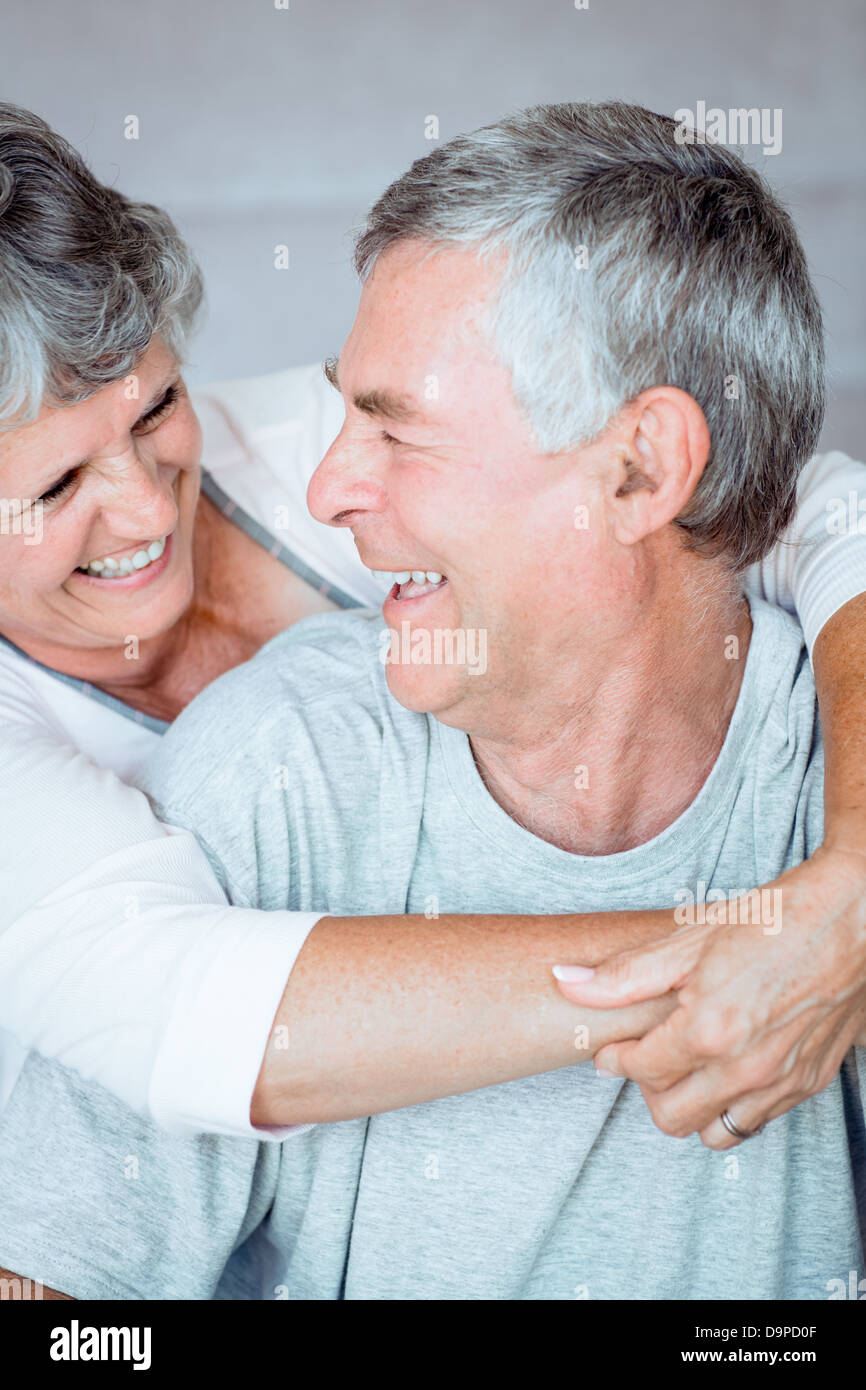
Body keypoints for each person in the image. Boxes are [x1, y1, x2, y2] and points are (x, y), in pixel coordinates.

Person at [1, 99, 863, 1301]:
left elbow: (793, 503)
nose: (153, 510)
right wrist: (757, 952)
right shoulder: (262, 773)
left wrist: (852, 885)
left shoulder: (809, 760)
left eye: (154, 411)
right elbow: (167, 1025)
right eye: (51, 487)